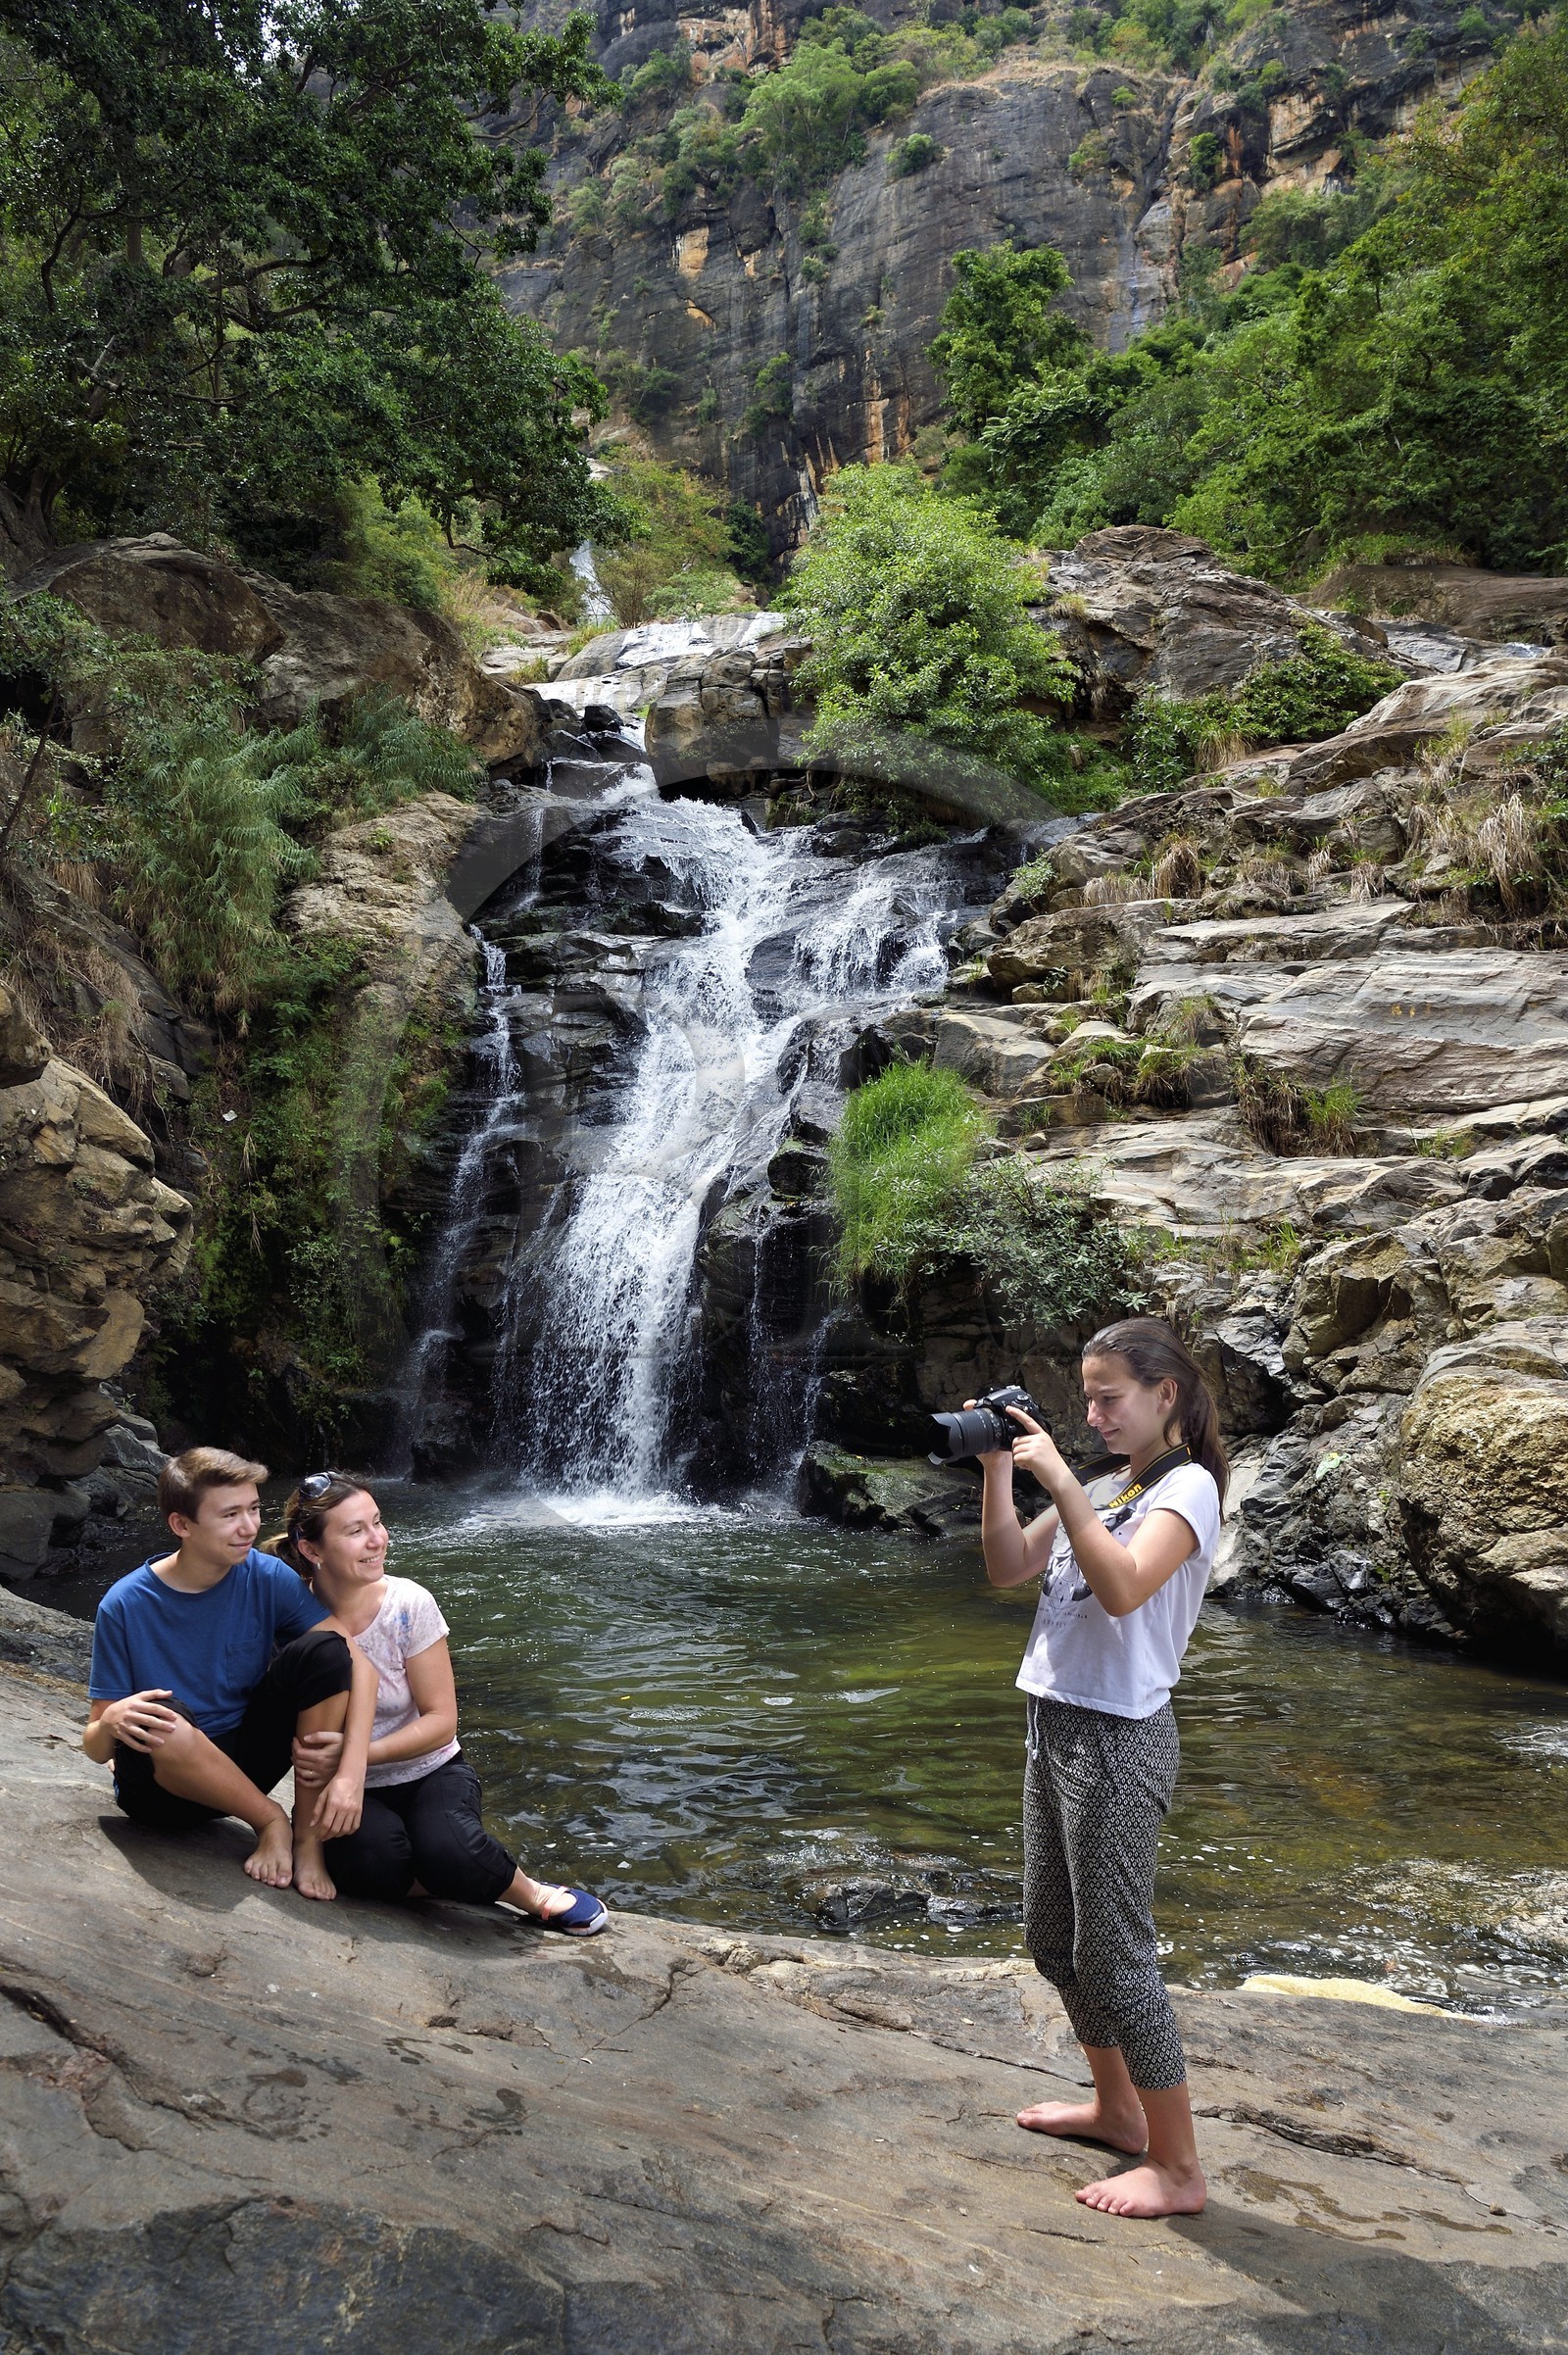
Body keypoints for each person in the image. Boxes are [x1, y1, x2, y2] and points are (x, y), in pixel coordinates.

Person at [973, 1315, 1226, 2220]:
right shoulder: (1108, 1484)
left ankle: (1179, 2164)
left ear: (1167, 1395)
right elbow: (1007, 1564)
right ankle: (1118, 2110)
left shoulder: (1187, 1489)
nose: (1095, 1413)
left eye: (1110, 1397)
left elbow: (1122, 1586)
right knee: (1053, 1937)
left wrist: (1059, 1482)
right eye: (1086, 1398)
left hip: (1121, 1739)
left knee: (1117, 1954)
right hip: (1053, 1723)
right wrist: (1004, 1465)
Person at [273, 1472, 608, 1935]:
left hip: (430, 1770)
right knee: (372, 1861)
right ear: (312, 1550)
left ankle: (530, 1893)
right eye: (355, 1531)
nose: (377, 1540)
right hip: (351, 1790)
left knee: (451, 1848)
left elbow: (441, 1723)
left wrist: (357, 1755)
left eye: (377, 1522)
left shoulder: (409, 1603)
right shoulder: (291, 1619)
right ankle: (449, 1878)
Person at [83, 1447, 378, 1896]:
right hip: (162, 1793)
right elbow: (94, 1746)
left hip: (244, 1763)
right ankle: (270, 1819)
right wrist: (110, 1722)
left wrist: (351, 1762)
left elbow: (355, 1660)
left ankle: (306, 1838)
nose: (250, 1527)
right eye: (230, 1515)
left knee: (327, 1650)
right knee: (164, 1713)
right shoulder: (124, 1605)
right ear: (182, 1525)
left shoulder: (266, 1577)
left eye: (255, 1509)